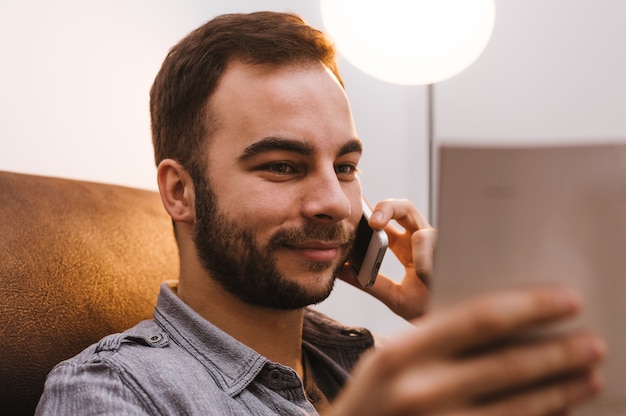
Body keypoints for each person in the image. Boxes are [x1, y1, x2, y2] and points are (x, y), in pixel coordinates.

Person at [36, 11, 605, 415]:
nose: (334, 201)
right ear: (180, 192)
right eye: (283, 166)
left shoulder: (358, 362)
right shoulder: (109, 393)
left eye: (347, 166)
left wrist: (457, 325)